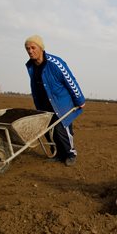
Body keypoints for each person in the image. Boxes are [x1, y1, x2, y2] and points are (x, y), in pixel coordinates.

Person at [24, 35, 86, 167]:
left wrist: (79, 99)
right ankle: (57, 153)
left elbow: (70, 80)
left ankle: (70, 154)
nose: (30, 51)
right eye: (27, 48)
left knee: (61, 129)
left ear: (41, 48)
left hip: (61, 103)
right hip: (44, 103)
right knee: (47, 129)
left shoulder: (55, 63)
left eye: (33, 47)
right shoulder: (31, 66)